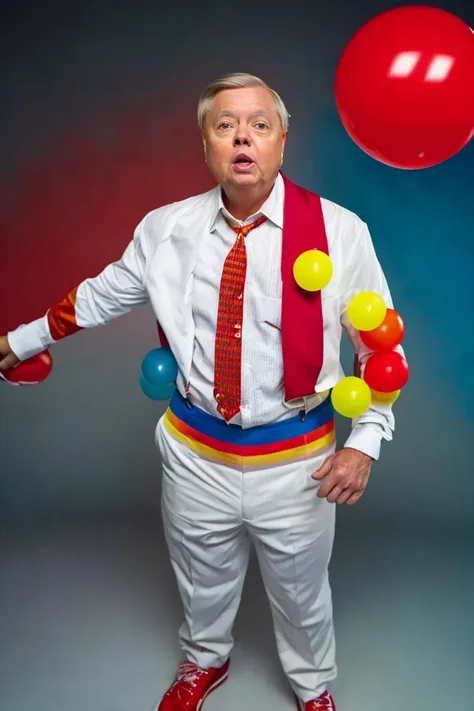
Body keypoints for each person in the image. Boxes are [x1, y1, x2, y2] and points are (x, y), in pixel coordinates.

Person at [0, 73, 403, 711]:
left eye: (259, 124)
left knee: (301, 592)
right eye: (225, 125)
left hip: (298, 461)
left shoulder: (341, 232)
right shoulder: (165, 229)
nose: (243, 136)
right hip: (194, 453)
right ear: (206, 146)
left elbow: (380, 346)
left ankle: (311, 685)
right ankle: (203, 662)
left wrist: (367, 445)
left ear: (281, 142)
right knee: (201, 578)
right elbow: (102, 294)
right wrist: (19, 343)